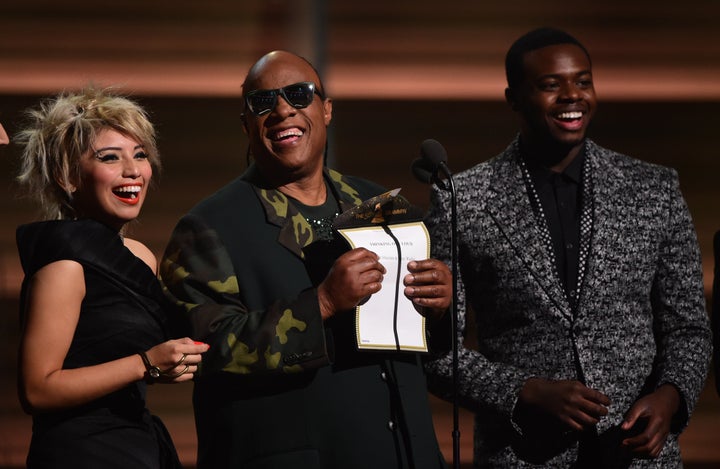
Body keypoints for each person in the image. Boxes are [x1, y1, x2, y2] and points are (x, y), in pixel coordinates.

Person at [424, 28, 711, 467]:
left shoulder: (654, 189)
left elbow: (688, 328)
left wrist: (671, 399)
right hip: (522, 454)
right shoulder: (463, 199)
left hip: (637, 455)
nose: (572, 96)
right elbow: (439, 355)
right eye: (550, 85)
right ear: (514, 98)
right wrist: (525, 391)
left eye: (583, 81)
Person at [159, 50, 452, 468]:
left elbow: (429, 345)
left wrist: (439, 304)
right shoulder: (208, 227)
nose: (282, 110)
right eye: (264, 102)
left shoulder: (381, 206)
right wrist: (322, 304)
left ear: (326, 109)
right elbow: (204, 352)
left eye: (299, 94)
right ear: (247, 124)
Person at [15, 86, 209, 469]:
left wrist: (165, 366)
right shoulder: (65, 263)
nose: (133, 171)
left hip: (137, 443)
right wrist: (146, 363)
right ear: (67, 176)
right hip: (82, 451)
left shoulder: (139, 255)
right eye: (110, 158)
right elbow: (37, 390)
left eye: (140, 155)